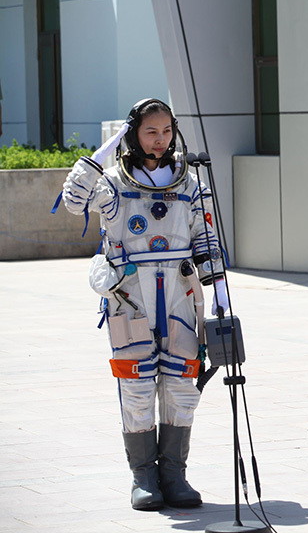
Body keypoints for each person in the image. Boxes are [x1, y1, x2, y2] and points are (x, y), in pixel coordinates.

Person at [61, 99, 227, 510]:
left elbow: (206, 242)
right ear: (133, 134)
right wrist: (102, 154)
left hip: (181, 296)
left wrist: (221, 297)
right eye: (151, 132)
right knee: (135, 387)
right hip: (130, 299)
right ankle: (143, 477)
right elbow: (73, 200)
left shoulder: (190, 182)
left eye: (167, 131)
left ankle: (174, 474)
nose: (160, 140)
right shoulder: (114, 183)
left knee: (182, 387)